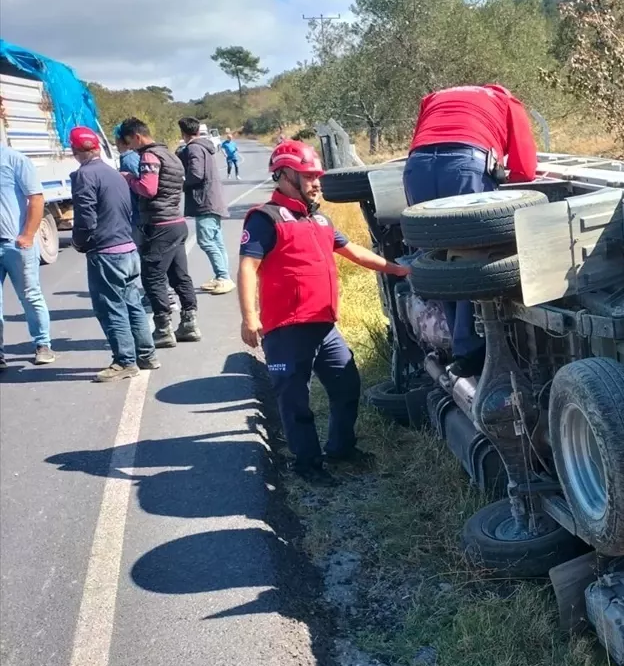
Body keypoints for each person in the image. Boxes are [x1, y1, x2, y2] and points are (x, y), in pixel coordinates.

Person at [238, 140, 410, 486]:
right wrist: (249, 317)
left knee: (347, 386)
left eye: (317, 175)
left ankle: (341, 448)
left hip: (324, 326)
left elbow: (357, 253)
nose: (317, 182)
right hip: (286, 329)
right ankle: (307, 464)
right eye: (308, 175)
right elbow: (247, 267)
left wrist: (401, 270)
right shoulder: (265, 219)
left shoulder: (319, 219)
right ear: (285, 176)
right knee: (295, 401)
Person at [402, 83, 538, 377]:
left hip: (416, 167)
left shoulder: (434, 98)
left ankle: (453, 342)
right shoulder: (505, 100)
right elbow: (525, 168)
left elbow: (422, 141)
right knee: (469, 253)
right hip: (465, 164)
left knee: (435, 254)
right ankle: (472, 348)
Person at [68, 127, 159, 382]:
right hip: (127, 248)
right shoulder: (113, 173)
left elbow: (85, 218)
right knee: (133, 304)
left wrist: (79, 242)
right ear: (97, 147)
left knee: (111, 308)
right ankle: (147, 354)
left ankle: (124, 361)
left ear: (75, 151)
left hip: (106, 252)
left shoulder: (84, 175)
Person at [116, 116, 201, 347]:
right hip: (176, 221)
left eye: (129, 142)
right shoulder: (171, 155)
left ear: (136, 136)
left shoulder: (149, 156)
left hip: (159, 225)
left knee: (153, 276)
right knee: (179, 275)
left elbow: (148, 188)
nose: (130, 148)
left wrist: (129, 178)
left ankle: (163, 328)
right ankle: (189, 323)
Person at [0, 143, 54, 370]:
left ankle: (43, 344)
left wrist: (28, 235)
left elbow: (36, 198)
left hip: (15, 244)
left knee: (30, 295)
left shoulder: (15, 160)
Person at [178, 116, 233, 295]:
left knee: (206, 241)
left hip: (204, 201)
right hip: (213, 199)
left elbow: (196, 174)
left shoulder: (194, 148)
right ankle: (222, 276)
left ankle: (223, 277)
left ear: (184, 132)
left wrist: (182, 183)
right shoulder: (205, 147)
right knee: (217, 240)